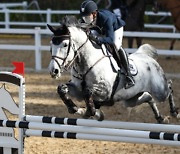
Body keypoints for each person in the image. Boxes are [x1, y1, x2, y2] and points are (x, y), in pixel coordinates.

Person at [80, 0, 135, 89]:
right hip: (99, 29)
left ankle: (128, 75)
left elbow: (110, 39)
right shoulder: (87, 18)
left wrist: (98, 39)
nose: (84, 19)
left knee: (116, 46)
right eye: (83, 17)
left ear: (94, 14)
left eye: (86, 16)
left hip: (115, 28)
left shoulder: (106, 18)